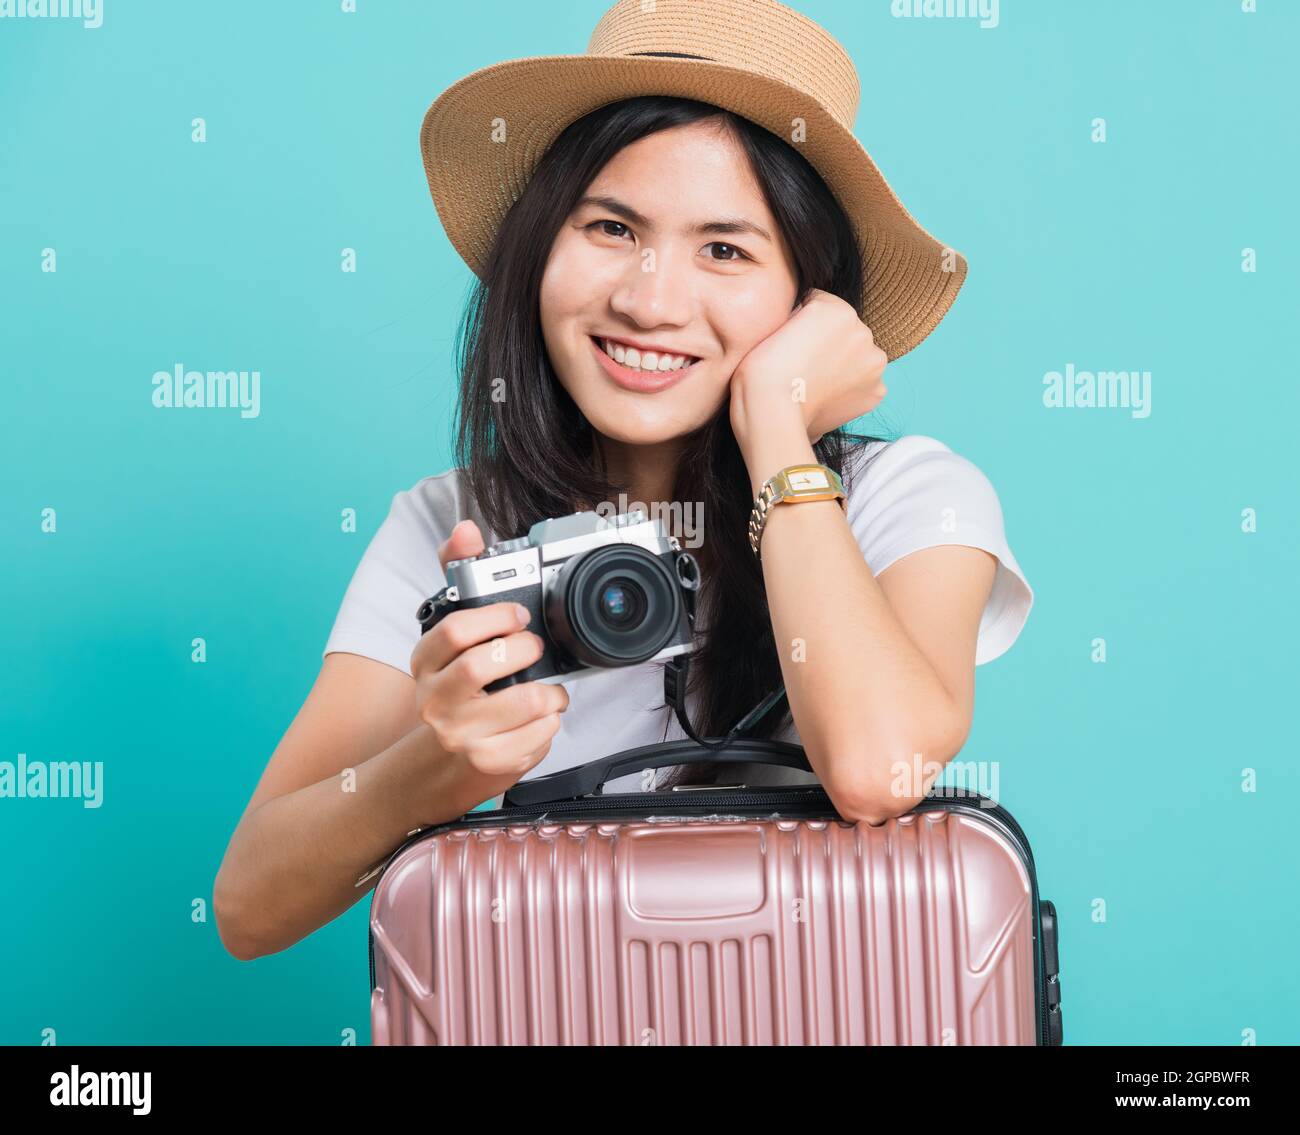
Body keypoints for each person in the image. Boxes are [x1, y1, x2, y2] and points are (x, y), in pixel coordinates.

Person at [214, 0, 1033, 962]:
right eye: (610, 226)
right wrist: (430, 766)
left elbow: (870, 769)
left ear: (812, 299)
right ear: (540, 246)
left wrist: (777, 425)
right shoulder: (451, 524)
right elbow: (249, 907)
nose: (648, 300)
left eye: (725, 249)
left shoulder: (912, 499)